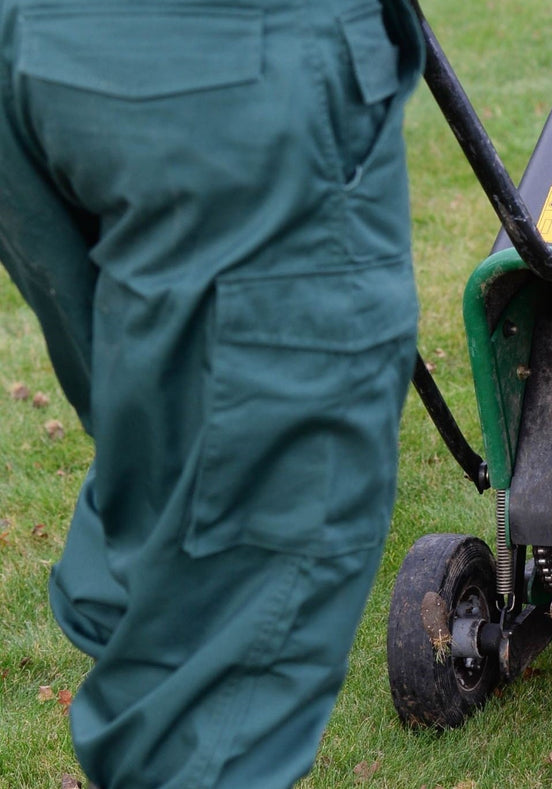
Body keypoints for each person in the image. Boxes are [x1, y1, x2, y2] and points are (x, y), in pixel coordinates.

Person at [0, 0, 424, 783]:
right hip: (225, 66)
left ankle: (146, 605)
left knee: (169, 430)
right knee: (248, 571)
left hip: (42, 56)